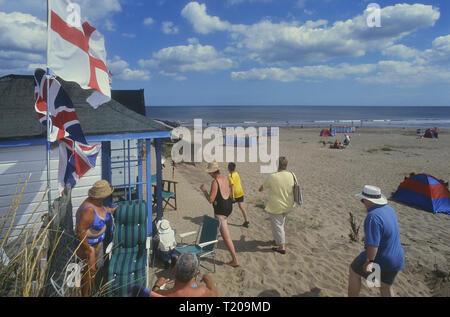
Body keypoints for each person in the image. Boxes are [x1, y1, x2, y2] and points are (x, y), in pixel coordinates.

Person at [348, 185, 405, 297]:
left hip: (382, 258)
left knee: (353, 271)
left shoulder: (373, 217)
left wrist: (369, 262)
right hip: (397, 257)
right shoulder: (389, 209)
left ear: (369, 200)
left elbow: (373, 245)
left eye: (363, 199)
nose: (362, 202)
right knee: (385, 287)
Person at [75, 180, 118, 297]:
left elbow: (101, 209)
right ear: (101, 196)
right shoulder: (88, 210)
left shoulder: (97, 203)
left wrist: (109, 210)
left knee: (89, 271)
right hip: (88, 245)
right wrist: (87, 249)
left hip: (96, 242)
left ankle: (84, 291)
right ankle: (85, 295)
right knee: (90, 271)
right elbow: (80, 231)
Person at [200, 162, 239, 267]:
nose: (209, 175)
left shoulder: (215, 182)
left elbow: (211, 200)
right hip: (228, 207)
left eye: (210, 173)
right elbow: (229, 190)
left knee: (227, 238)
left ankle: (235, 260)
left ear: (213, 172)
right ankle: (215, 243)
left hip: (221, 212)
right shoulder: (224, 178)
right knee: (217, 224)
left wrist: (204, 191)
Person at [259, 157, 295, 255]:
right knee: (280, 224)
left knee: (278, 225)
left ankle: (281, 246)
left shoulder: (273, 177)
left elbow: (261, 188)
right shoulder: (292, 175)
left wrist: (262, 188)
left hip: (277, 206)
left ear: (277, 165)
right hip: (288, 205)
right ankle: (278, 241)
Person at [152, 251, 218, 297]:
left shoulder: (162, 294)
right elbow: (214, 294)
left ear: (175, 268)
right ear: (196, 273)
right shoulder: (202, 291)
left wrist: (157, 285)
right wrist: (208, 280)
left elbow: (154, 293)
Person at [228, 162, 250, 228]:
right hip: (240, 192)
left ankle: (222, 219)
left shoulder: (230, 176)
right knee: (242, 207)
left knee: (227, 206)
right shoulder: (237, 173)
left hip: (234, 194)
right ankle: (246, 221)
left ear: (228, 168)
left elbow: (232, 185)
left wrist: (233, 197)